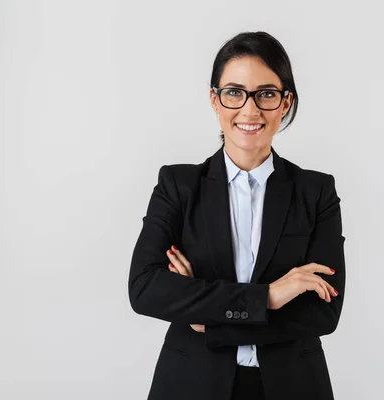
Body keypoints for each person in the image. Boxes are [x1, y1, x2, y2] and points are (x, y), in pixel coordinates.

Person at [129, 31, 346, 400]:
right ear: (215, 100)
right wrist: (270, 297)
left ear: (285, 102)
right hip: (191, 384)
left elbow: (323, 313)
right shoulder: (179, 186)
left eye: (266, 93)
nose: (250, 110)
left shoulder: (316, 192)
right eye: (234, 92)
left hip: (293, 386)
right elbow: (145, 288)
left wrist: (208, 320)